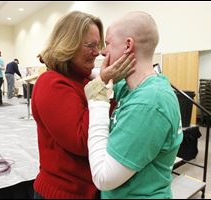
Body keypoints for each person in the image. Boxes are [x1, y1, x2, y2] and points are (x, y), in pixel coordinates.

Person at [31, 11, 134, 199]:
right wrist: (103, 83)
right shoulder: (50, 82)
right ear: (67, 45)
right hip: (63, 193)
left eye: (99, 45)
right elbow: (81, 142)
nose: (98, 52)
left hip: (89, 190)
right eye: (90, 45)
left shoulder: (83, 79)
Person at [85, 11, 183, 199]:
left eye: (108, 44)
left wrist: (97, 100)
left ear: (128, 45)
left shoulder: (148, 103)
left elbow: (102, 178)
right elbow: (99, 73)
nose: (102, 52)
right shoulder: (137, 87)